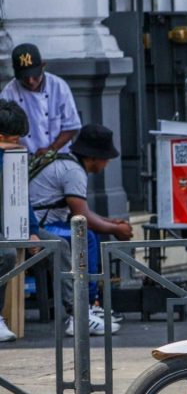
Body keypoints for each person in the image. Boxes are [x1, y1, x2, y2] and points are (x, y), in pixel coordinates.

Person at [30, 124, 129, 335]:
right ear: (93, 157)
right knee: (86, 238)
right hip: (41, 226)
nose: (107, 163)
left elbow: (84, 212)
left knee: (88, 234)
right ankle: (85, 308)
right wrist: (116, 229)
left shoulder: (69, 164)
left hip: (49, 221)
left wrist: (111, 222)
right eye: (105, 158)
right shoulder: (74, 171)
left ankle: (89, 304)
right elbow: (81, 217)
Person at [0, 99, 80, 341]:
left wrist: (31, 230)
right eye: (13, 139)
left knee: (60, 246)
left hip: (15, 224)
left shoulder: (15, 158)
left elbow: (21, 198)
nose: (19, 144)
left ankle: (75, 314)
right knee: (7, 254)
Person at [0, 43, 81, 159]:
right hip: (25, 158)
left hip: (58, 156)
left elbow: (72, 126)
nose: (30, 81)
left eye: (34, 75)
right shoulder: (8, 93)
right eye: (24, 77)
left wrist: (51, 149)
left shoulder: (59, 87)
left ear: (43, 66)